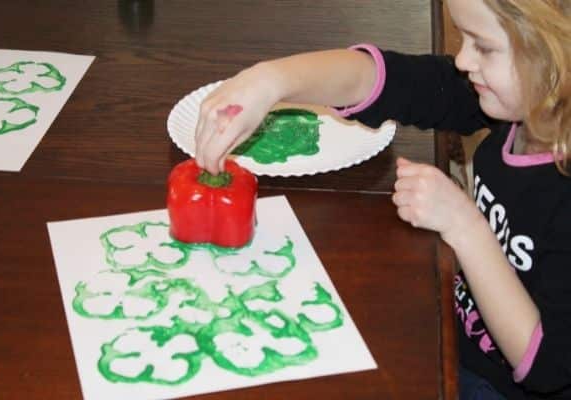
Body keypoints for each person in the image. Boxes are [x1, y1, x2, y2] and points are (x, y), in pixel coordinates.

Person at [193, 0, 571, 398]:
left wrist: (465, 226)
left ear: (556, 54)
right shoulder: (517, 108)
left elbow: (546, 365)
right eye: (464, 38)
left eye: (484, 47)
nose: (462, 60)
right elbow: (393, 81)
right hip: (453, 328)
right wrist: (269, 81)